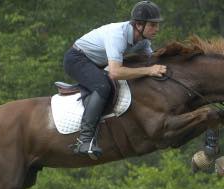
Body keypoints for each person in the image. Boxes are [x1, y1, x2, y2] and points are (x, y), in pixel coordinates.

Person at [63, 1, 167, 159]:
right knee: (103, 86)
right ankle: (84, 140)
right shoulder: (117, 35)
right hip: (77, 59)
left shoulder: (143, 41)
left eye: (157, 25)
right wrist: (149, 71)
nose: (157, 29)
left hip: (96, 63)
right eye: (153, 25)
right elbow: (116, 72)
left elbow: (151, 60)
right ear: (139, 25)